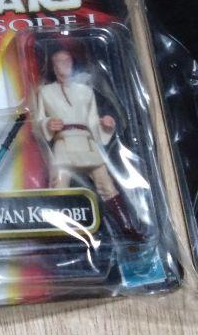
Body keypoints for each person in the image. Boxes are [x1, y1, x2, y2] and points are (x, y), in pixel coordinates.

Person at [33, 44, 143, 240]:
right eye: (59, 61)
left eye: (67, 60)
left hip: (87, 142)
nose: (64, 64)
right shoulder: (45, 91)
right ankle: (56, 230)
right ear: (53, 66)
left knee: (106, 184)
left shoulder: (85, 91)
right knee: (58, 184)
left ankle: (127, 226)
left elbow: (92, 120)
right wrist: (48, 124)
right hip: (63, 143)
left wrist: (105, 125)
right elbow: (38, 120)